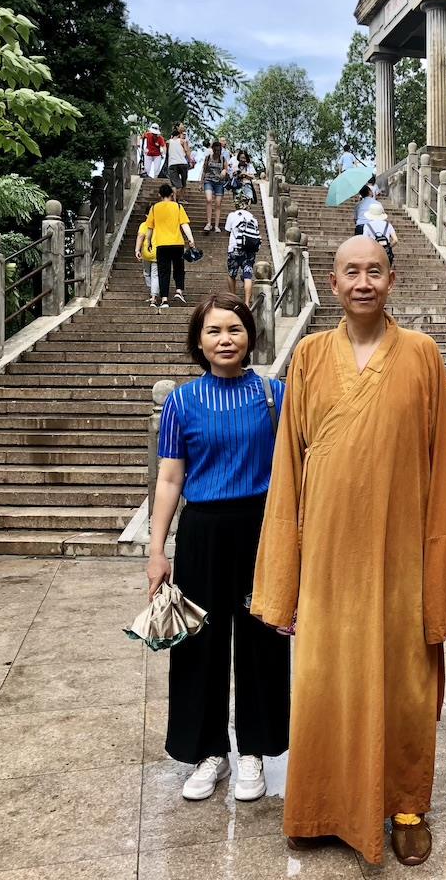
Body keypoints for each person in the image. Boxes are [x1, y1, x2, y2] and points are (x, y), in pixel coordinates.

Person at [250, 235, 446, 867]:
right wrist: (284, 573)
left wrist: (442, 567)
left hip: (401, 549)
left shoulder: (423, 356)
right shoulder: (310, 359)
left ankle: (406, 808)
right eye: (351, 271)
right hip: (328, 553)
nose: (363, 282)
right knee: (324, 677)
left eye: (374, 271)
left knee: (405, 678)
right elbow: (289, 467)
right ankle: (321, 805)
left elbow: (441, 468)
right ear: (332, 282)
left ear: (392, 280)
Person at [146, 294, 291, 804]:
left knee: (261, 639)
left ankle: (254, 749)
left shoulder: (277, 394)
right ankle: (209, 752)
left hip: (262, 529)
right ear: (198, 340)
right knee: (199, 645)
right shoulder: (182, 402)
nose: (224, 339)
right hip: (203, 529)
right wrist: (157, 548)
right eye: (213, 331)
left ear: (250, 335)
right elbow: (169, 478)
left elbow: (297, 469)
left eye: (234, 329)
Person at [145, 183, 197, 310]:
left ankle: (164, 300)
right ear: (172, 194)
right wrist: (191, 240)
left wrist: (149, 241)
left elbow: (150, 228)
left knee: (164, 272)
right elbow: (185, 225)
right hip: (177, 243)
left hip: (162, 244)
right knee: (179, 269)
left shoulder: (154, 208)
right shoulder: (178, 207)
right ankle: (179, 291)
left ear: (159, 195)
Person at [224, 205, 261, 305]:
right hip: (249, 250)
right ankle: (247, 302)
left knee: (232, 274)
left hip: (235, 248)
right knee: (247, 275)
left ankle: (233, 300)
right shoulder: (253, 218)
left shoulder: (232, 215)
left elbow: (227, 231)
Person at [202, 141, 228, 233]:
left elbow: (226, 169)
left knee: (218, 203)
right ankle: (208, 223)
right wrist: (201, 183)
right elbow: (204, 170)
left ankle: (216, 225)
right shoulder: (208, 158)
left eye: (219, 150)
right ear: (212, 149)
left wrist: (224, 171)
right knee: (209, 199)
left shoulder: (223, 159)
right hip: (208, 180)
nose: (217, 152)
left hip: (219, 182)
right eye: (216, 150)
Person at [362, 202, 398, 267]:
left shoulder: (367, 225)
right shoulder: (388, 224)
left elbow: (365, 241)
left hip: (373, 253)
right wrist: (388, 247)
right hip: (386, 253)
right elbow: (395, 240)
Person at [134, 212, 158, 307]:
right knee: (155, 275)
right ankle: (154, 296)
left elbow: (140, 237)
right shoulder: (160, 225)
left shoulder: (144, 225)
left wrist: (137, 250)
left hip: (146, 253)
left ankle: (152, 293)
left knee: (147, 273)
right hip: (158, 252)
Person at [166, 125, 192, 202]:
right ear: (178, 135)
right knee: (183, 183)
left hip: (172, 164)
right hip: (182, 163)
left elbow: (165, 150)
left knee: (174, 184)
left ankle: (174, 200)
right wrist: (190, 160)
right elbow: (187, 151)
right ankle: (180, 199)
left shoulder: (168, 142)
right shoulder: (183, 141)